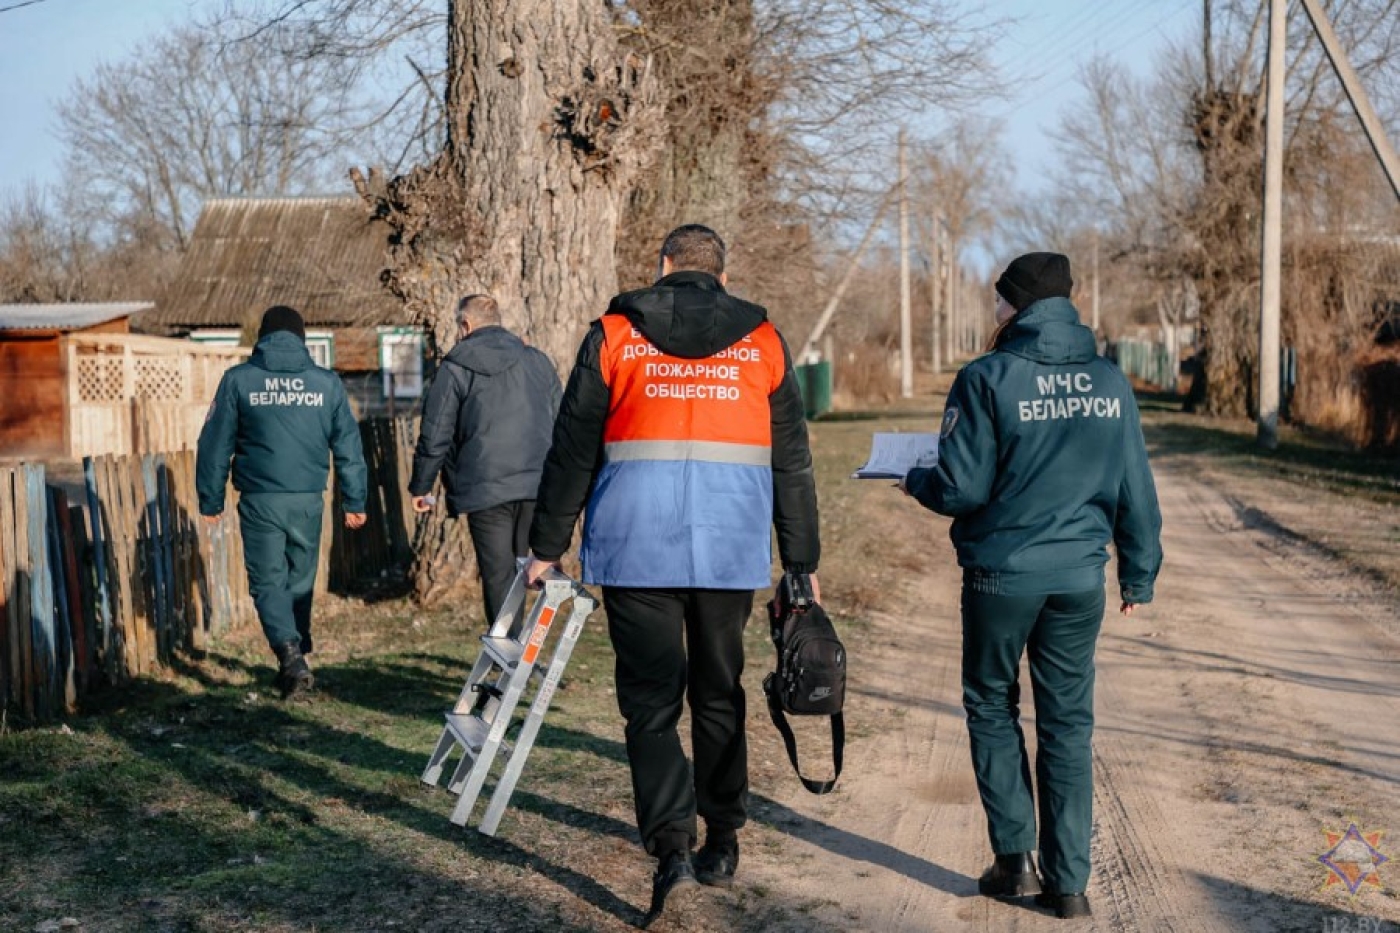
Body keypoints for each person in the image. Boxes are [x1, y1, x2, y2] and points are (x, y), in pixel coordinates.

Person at [525, 224, 821, 927]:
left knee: (652, 704)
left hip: (635, 546)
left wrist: (546, 544)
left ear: (662, 268)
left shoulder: (615, 336)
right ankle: (721, 837)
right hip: (728, 549)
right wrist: (800, 565)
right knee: (719, 691)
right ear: (722, 271)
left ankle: (671, 853)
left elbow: (572, 448)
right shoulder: (764, 343)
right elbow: (793, 461)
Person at [900, 252, 1162, 920]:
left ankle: (1014, 859)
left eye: (998, 300)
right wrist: (1138, 569)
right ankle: (1069, 884)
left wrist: (912, 477)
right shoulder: (1110, 379)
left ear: (1016, 305)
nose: (994, 311)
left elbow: (961, 487)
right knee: (1068, 724)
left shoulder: (986, 377)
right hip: (1079, 577)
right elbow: (1135, 482)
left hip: (1002, 576)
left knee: (991, 702)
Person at [196, 305, 369, 700]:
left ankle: (291, 657)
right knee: (300, 577)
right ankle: (296, 654)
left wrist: (211, 497)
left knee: (268, 581)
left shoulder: (238, 381)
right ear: (301, 338)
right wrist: (355, 499)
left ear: (262, 337)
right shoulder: (326, 384)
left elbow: (215, 443)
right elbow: (347, 445)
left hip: (260, 498)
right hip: (309, 498)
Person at [407, 294, 562, 627]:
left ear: (465, 325)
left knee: (498, 574)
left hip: (485, 486)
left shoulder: (456, 367)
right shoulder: (537, 361)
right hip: (538, 483)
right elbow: (561, 421)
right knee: (527, 566)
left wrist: (421, 486)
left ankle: (508, 657)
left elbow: (436, 433)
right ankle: (521, 652)